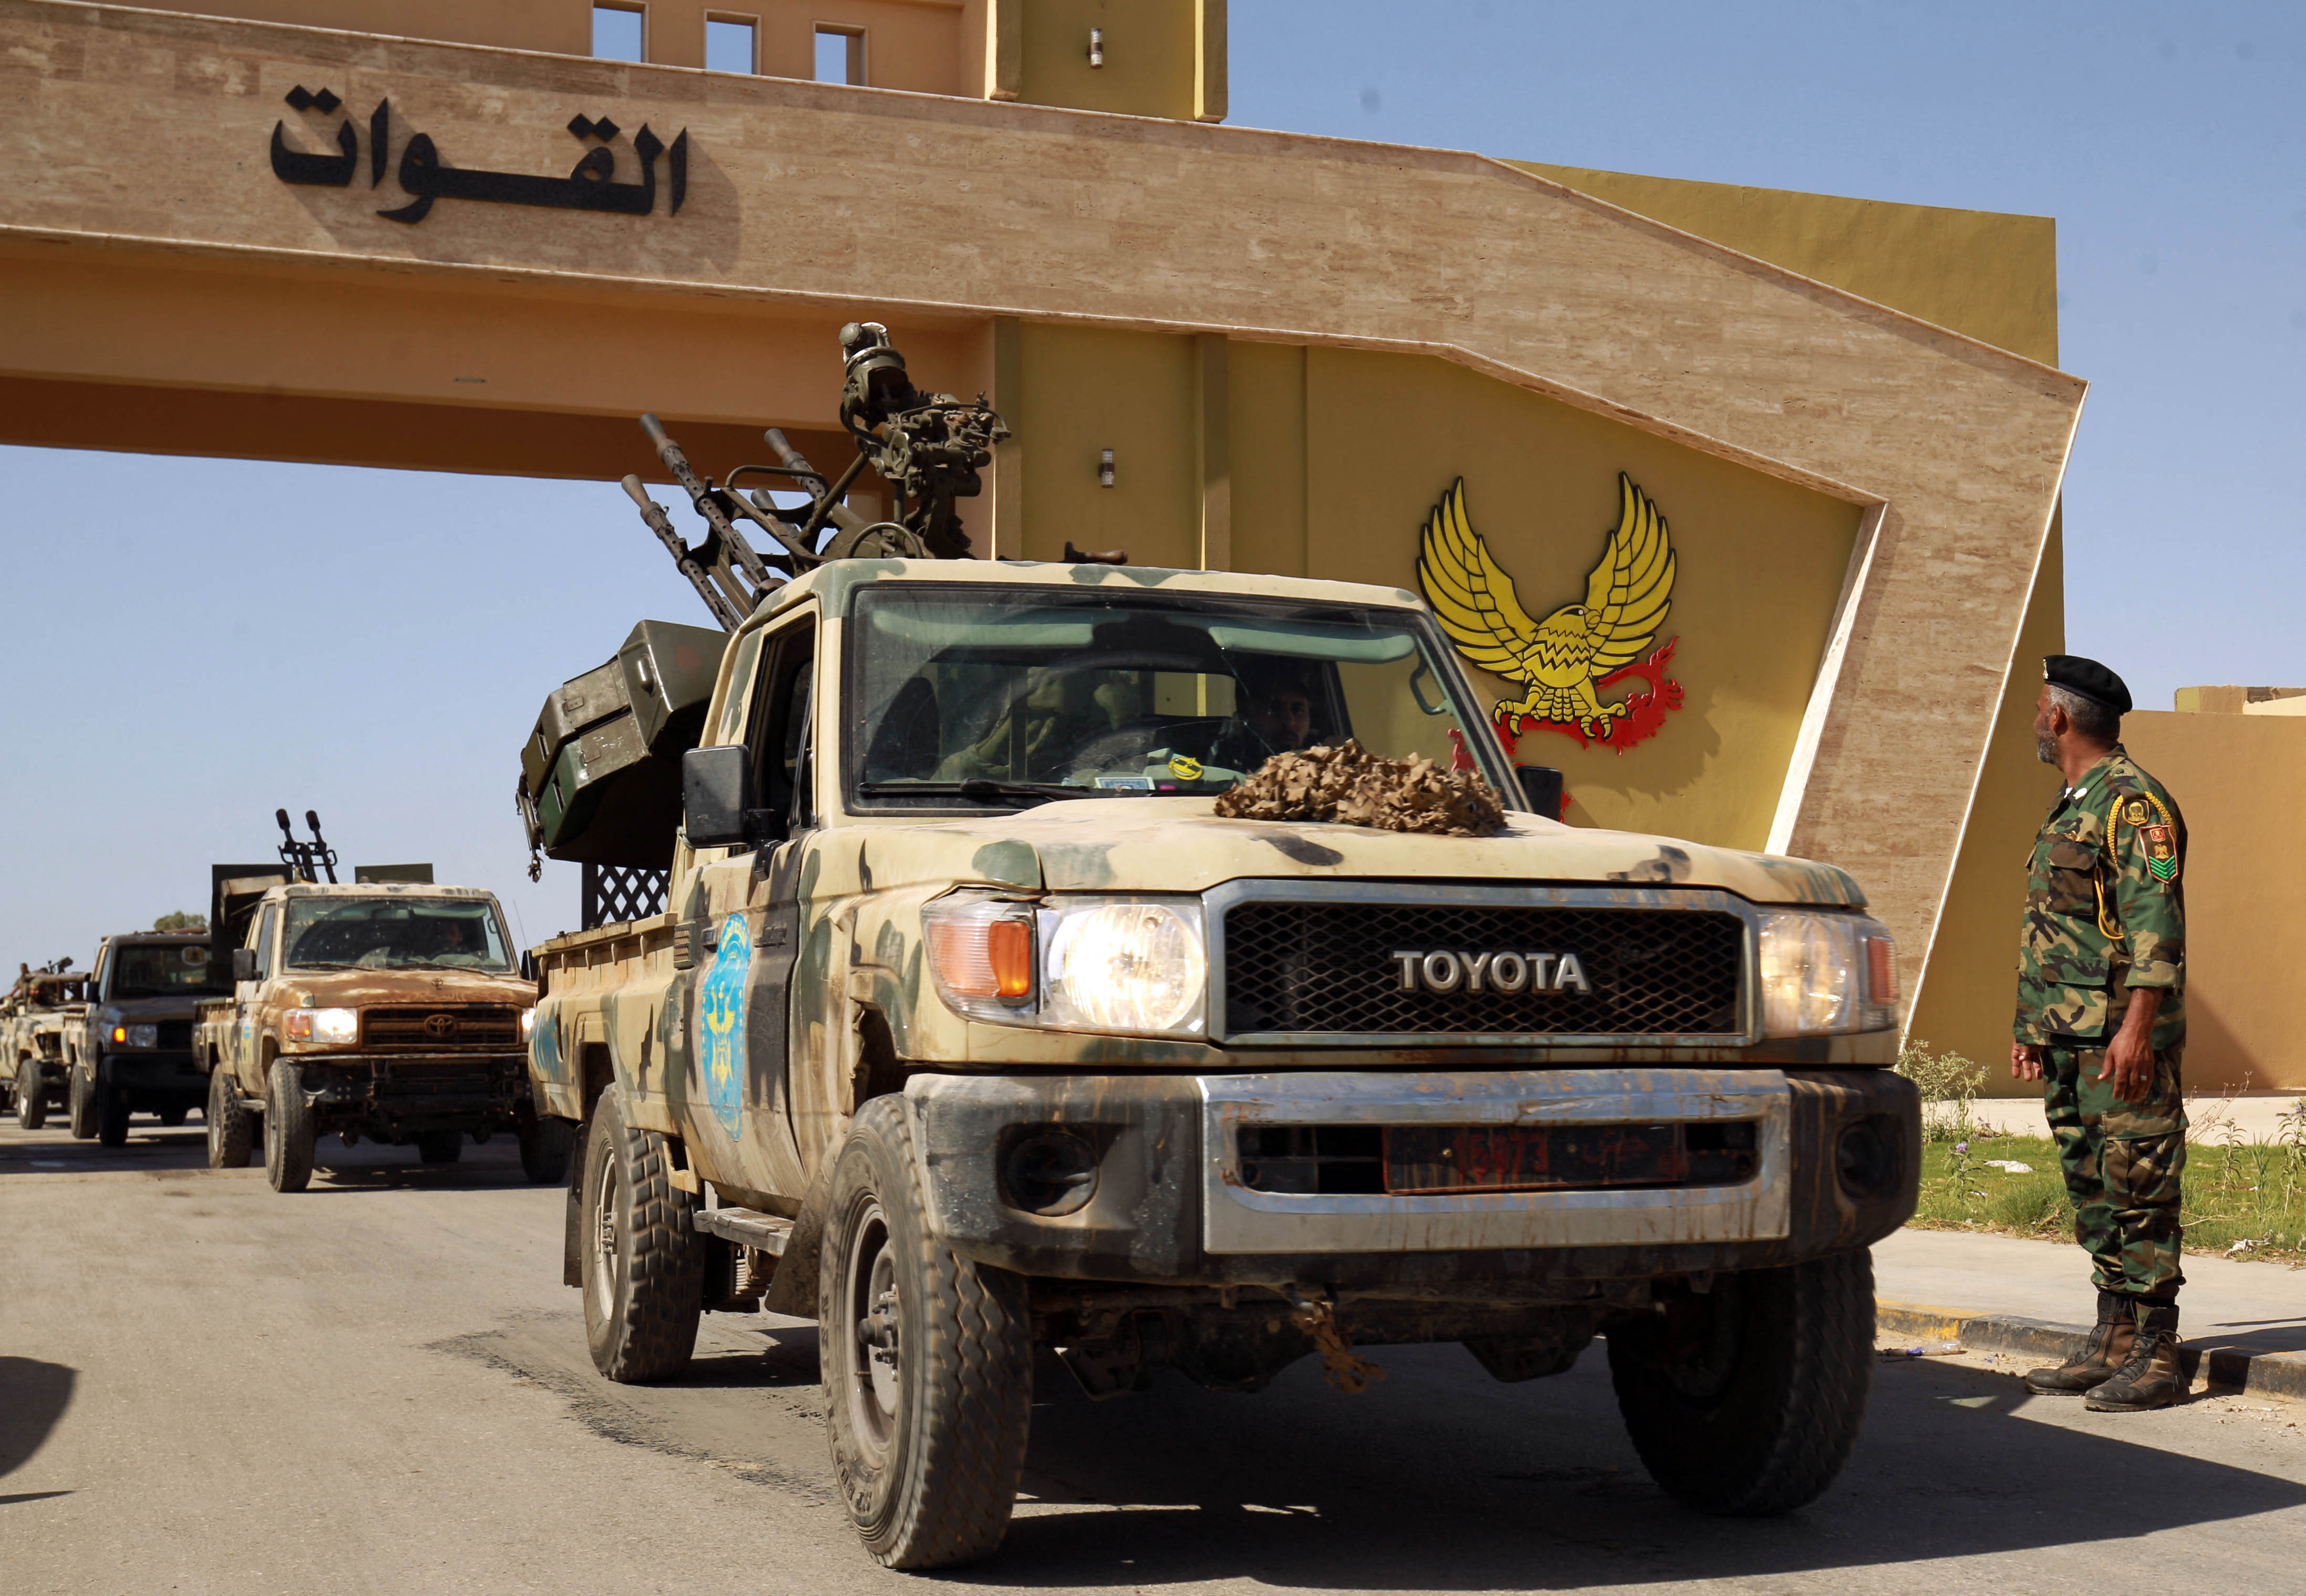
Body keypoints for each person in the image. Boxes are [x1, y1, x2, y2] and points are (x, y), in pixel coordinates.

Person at [2012, 655, 2189, 1412]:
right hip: (2068, 1035)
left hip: (2119, 1037)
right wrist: (2030, 1027)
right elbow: (2055, 931)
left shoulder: (2133, 805)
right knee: (2092, 1186)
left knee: (2139, 1183)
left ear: (2059, 718)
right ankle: (2114, 1336)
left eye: (2038, 709)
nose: (2034, 721)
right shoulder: (2074, 803)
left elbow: (2157, 926)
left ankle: (2158, 1351)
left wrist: (2139, 1030)